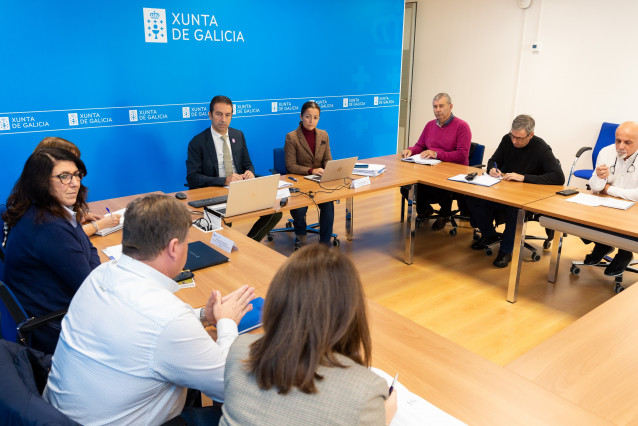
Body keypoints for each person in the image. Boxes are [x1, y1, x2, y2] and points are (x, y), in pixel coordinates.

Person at [44, 194, 256, 425]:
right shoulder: (168, 317)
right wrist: (227, 323)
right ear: (174, 247)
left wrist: (204, 316)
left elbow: (143, 329)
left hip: (56, 415)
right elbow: (229, 387)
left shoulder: (100, 275)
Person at [219, 244, 397, 426]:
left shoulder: (240, 348)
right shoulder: (366, 391)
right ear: (350, 312)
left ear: (277, 300)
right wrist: (384, 417)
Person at [2, 147, 101, 354]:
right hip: (53, 327)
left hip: (45, 308)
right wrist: (91, 262)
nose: (74, 183)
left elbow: (88, 247)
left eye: (76, 175)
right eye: (63, 177)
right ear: (41, 182)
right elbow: (91, 286)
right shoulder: (48, 227)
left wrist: (89, 259)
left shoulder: (42, 210)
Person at [466, 114, 565, 268]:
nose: (514, 141)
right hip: (504, 189)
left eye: (520, 138)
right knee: (473, 197)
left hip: (527, 196)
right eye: (513, 135)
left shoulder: (541, 148)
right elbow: (494, 160)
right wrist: (493, 168)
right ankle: (489, 235)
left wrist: (524, 177)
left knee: (514, 209)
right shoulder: (507, 139)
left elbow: (558, 177)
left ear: (531, 135)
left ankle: (506, 250)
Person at [186, 95, 282, 242]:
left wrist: (249, 172)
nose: (223, 119)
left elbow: (248, 163)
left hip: (240, 189)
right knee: (225, 223)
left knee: (275, 212)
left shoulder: (238, 135)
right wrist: (224, 180)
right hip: (216, 193)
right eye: (219, 114)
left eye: (228, 115)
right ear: (210, 115)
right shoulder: (197, 142)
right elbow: (192, 177)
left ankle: (249, 244)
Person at [400, 93, 472, 231]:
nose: (437, 110)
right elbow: (420, 146)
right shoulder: (430, 125)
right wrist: (410, 150)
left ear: (450, 107)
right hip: (430, 168)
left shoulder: (462, 126)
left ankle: (445, 214)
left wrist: (437, 154)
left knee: (438, 184)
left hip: (454, 171)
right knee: (406, 187)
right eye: (435, 106)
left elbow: (462, 155)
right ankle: (425, 210)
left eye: (441, 106)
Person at [34, 136, 121, 236]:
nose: (75, 183)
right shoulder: (37, 210)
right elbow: (64, 237)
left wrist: (80, 213)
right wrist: (98, 225)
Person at [581, 121, 638, 275]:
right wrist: (600, 179)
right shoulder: (606, 152)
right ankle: (602, 244)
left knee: (628, 222)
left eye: (627, 142)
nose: (620, 146)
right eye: (618, 140)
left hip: (634, 211)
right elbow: (595, 187)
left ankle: (625, 253)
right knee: (578, 218)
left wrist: (609, 189)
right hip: (608, 202)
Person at [284, 101, 334, 246]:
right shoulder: (291, 137)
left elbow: (328, 159)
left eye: (315, 117)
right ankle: (300, 234)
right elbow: (290, 165)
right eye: (308, 116)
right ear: (301, 116)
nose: (311, 121)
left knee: (328, 205)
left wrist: (331, 170)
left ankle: (325, 243)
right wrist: (311, 171)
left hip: (319, 181)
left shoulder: (324, 134)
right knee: (299, 208)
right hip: (300, 180)